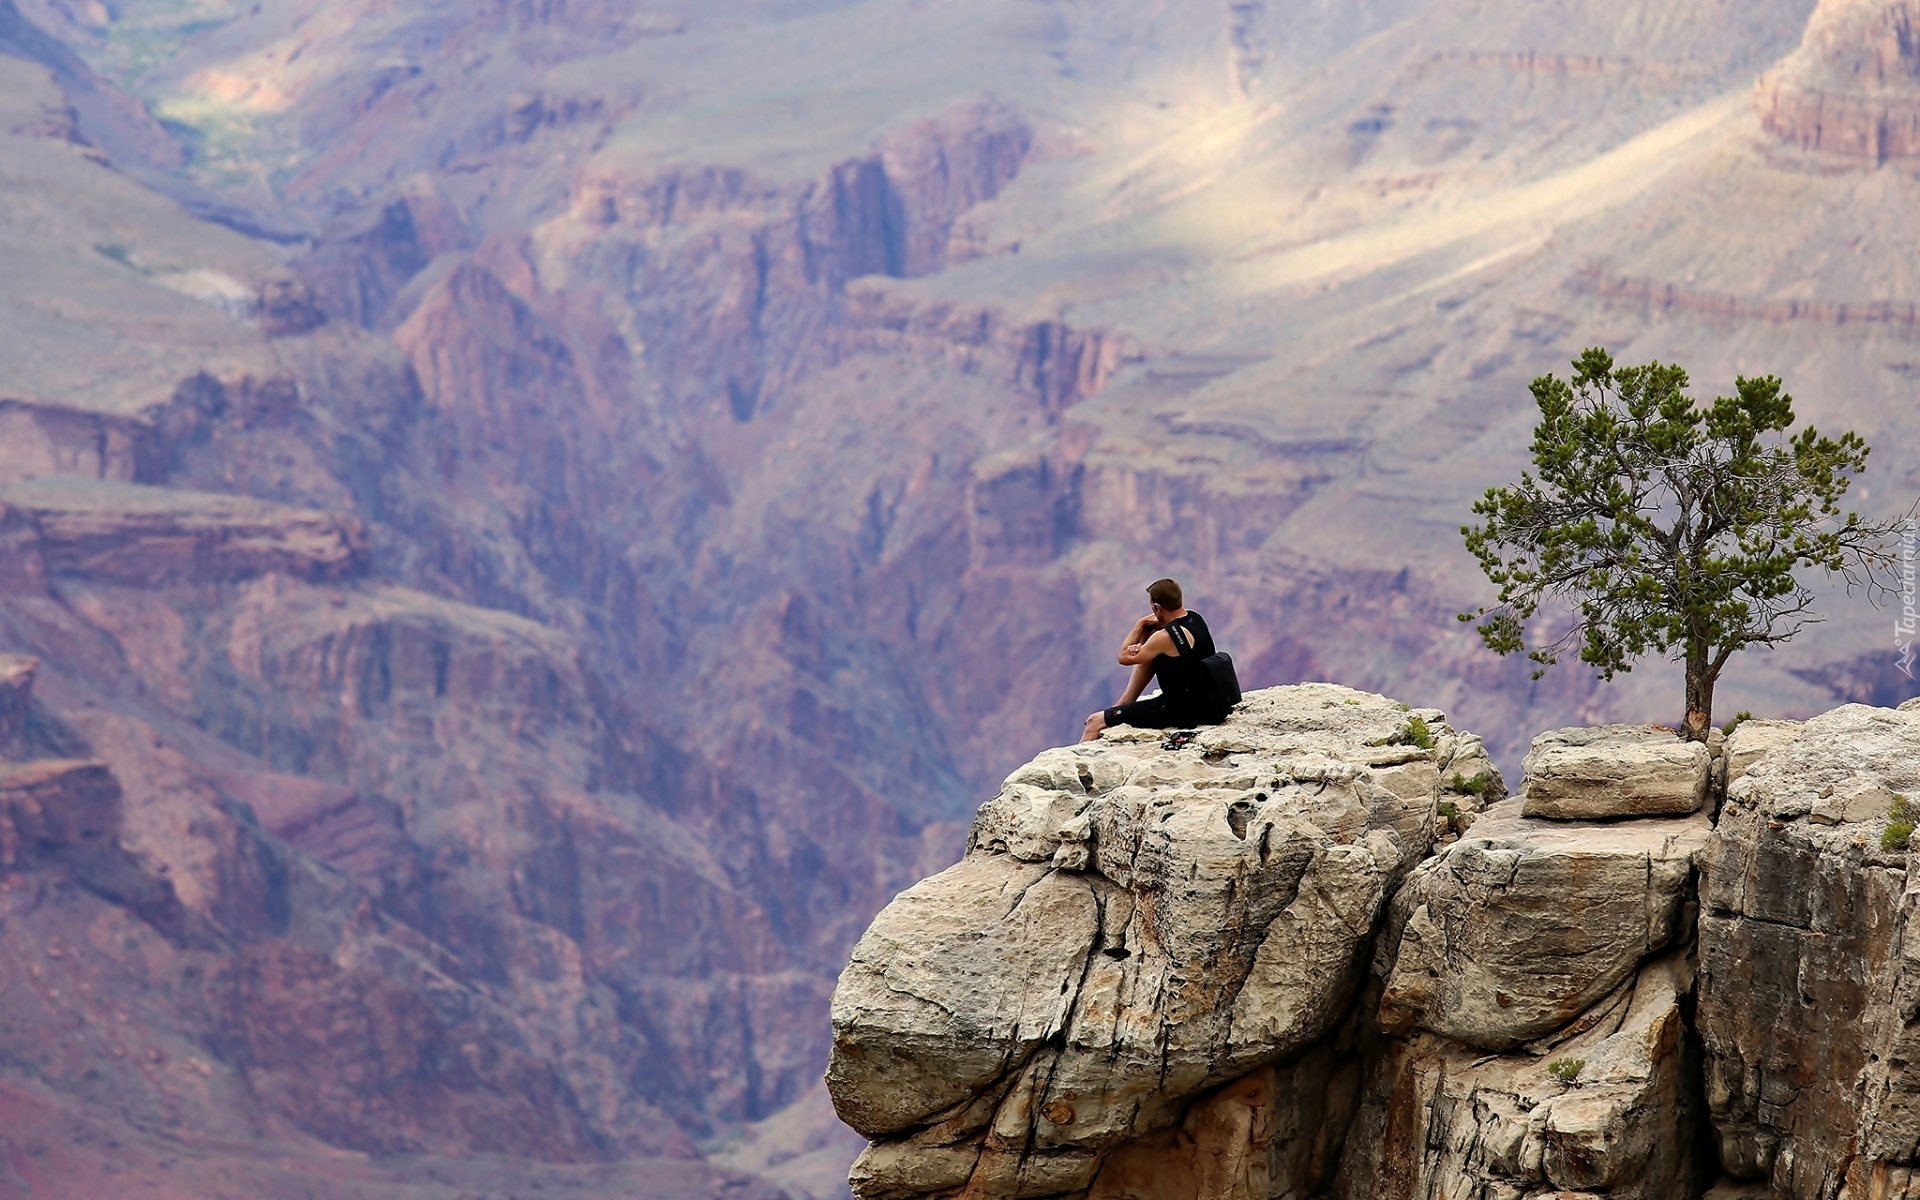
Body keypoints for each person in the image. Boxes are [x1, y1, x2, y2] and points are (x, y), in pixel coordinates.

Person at [1081, 578, 1225, 741]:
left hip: (1178, 710)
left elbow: (1124, 657)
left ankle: (1078, 761)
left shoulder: (1164, 637)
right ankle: (1125, 703)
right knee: (1151, 646)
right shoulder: (1195, 618)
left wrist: (1140, 624)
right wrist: (1146, 641)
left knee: (1095, 721)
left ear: (1156, 607)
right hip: (1208, 704)